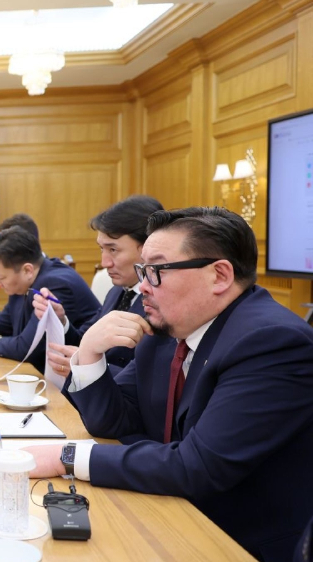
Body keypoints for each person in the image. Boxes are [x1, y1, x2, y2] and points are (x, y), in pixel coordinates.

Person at [26, 207, 313, 561]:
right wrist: (88, 354)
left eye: (156, 271)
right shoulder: (166, 332)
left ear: (219, 275)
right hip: (170, 516)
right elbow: (114, 422)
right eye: (142, 270)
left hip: (236, 542)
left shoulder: (271, 342)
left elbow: (198, 466)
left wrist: (66, 456)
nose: (143, 286)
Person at [33, 195, 163, 378]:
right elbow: (86, 342)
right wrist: (60, 320)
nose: (104, 262)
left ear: (147, 249)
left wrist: (89, 368)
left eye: (113, 250)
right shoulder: (116, 292)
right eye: (102, 249)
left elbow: (151, 378)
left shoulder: (162, 302)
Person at [0, 226, 99, 373]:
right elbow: (5, 322)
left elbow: (27, 348)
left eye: (1, 277)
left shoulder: (54, 285)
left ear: (27, 270)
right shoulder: (23, 282)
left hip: (75, 376)